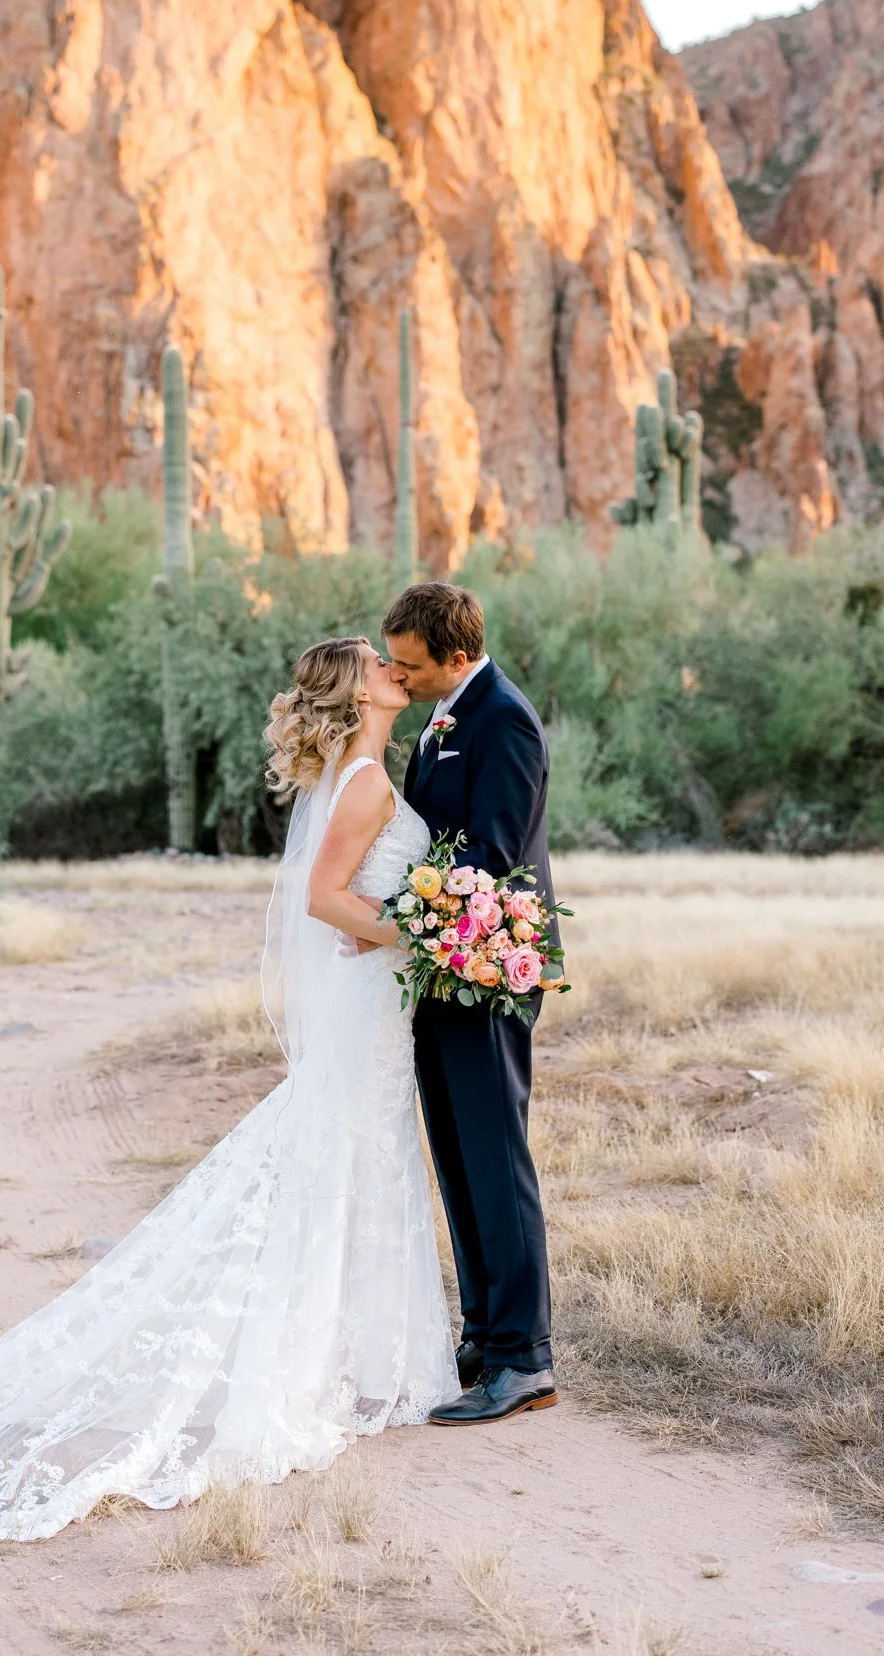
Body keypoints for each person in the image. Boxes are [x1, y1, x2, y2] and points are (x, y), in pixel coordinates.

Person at [0, 637, 458, 1543]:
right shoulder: (367, 780)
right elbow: (323, 901)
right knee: (341, 1153)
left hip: (365, 1000)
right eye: (378, 663)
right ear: (354, 692)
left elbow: (335, 899)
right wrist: (416, 930)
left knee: (347, 1156)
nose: (393, 668)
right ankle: (333, 1364)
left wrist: (402, 924)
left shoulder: (362, 771)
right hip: (367, 994)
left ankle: (349, 1355)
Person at [383, 582, 558, 1425]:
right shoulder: (446, 712)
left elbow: (492, 851)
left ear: (454, 656)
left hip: (488, 969)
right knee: (455, 1159)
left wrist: (402, 908)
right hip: (441, 968)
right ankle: (483, 1335)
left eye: (409, 663)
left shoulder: (502, 717)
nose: (396, 674)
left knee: (495, 1159)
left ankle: (524, 1359)